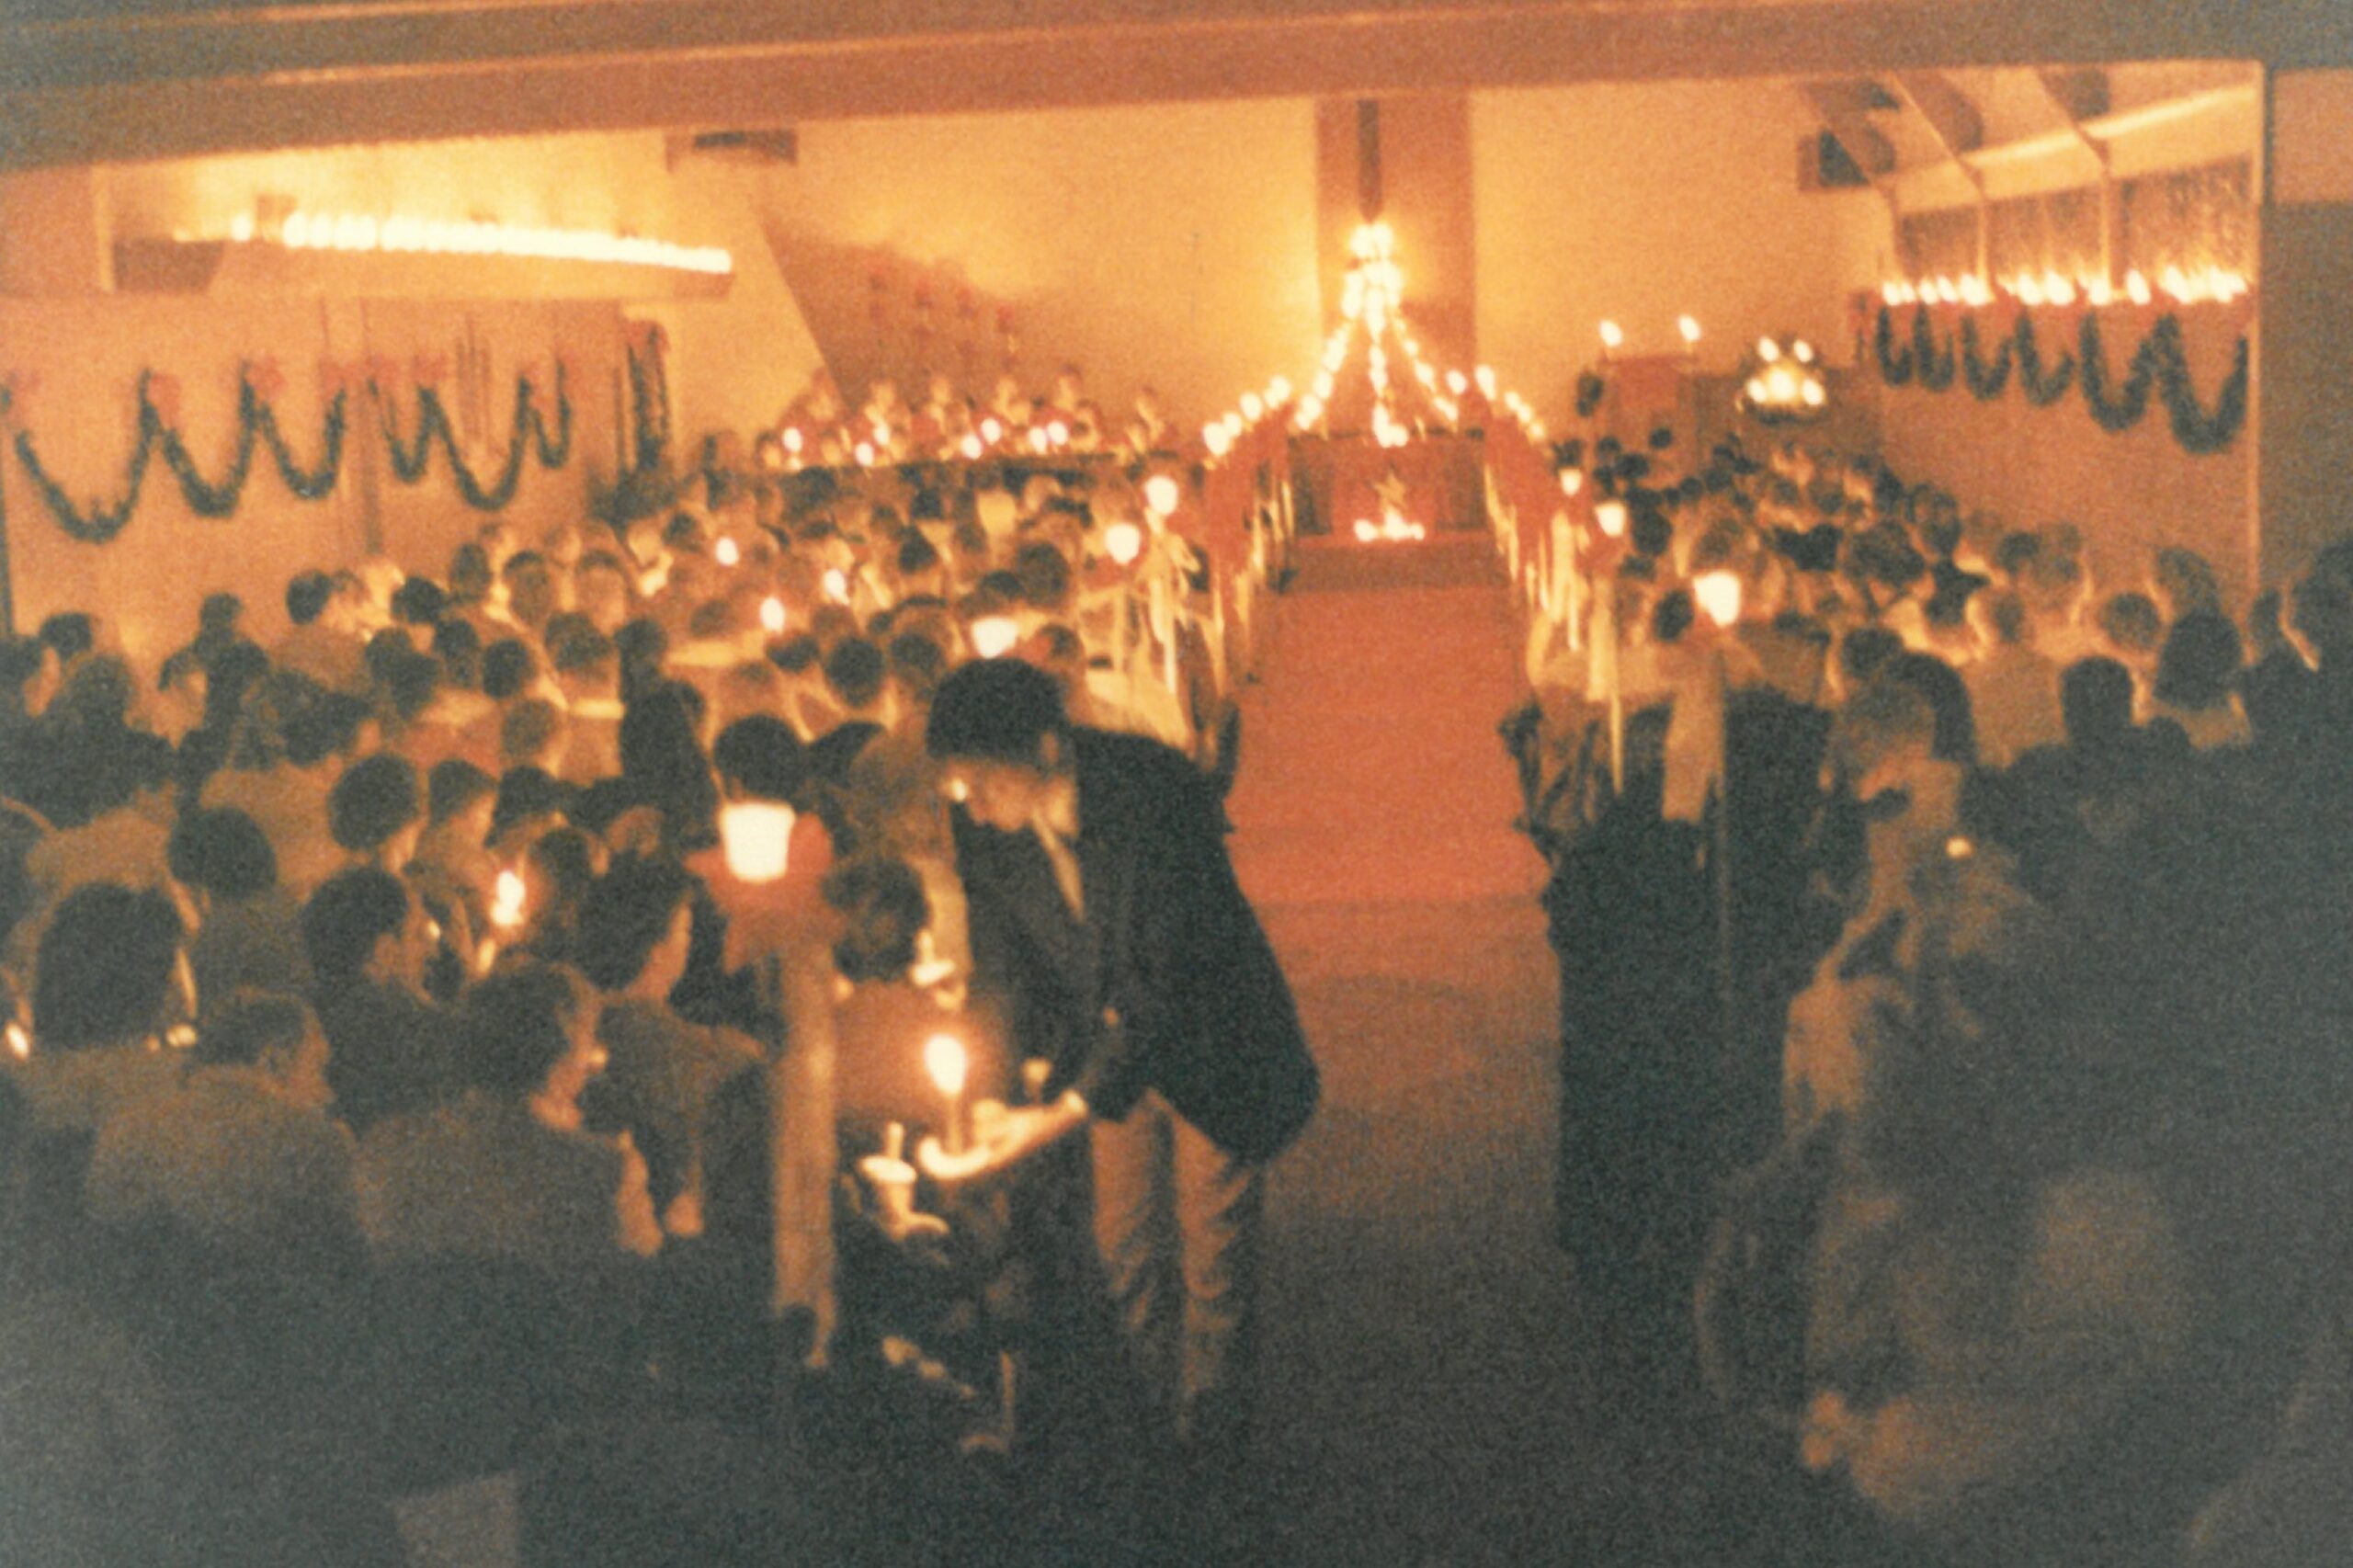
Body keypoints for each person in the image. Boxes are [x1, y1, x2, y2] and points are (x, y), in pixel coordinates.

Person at [915, 657, 1317, 1465]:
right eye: (958, 787)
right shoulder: (985, 824)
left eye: (983, 781)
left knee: (1212, 1257)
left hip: (1211, 1042)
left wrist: (1062, 1111)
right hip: (1104, 1053)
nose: (973, 803)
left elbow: (1169, 974)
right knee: (1123, 1246)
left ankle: (1211, 1444)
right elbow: (1003, 972)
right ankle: (1148, 1432)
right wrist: (990, 1101)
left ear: (1045, 747)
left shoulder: (1156, 792)